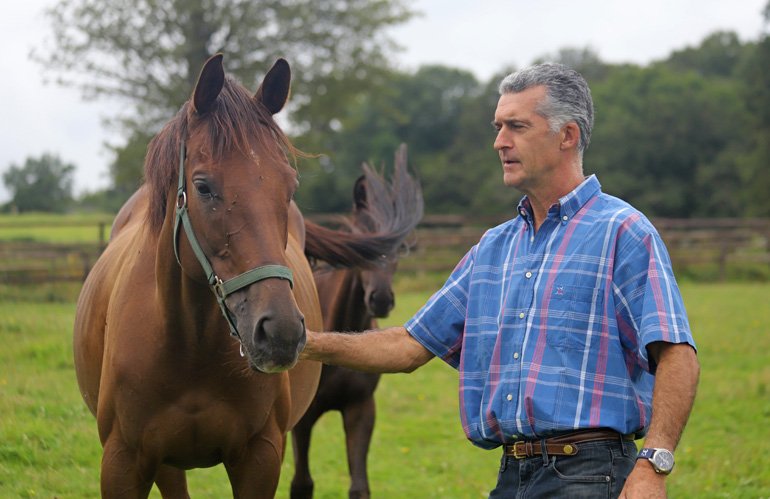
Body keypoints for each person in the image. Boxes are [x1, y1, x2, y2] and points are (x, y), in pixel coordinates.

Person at [300, 62, 699, 498]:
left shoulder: (623, 231)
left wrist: (653, 465)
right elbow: (408, 346)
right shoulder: (493, 248)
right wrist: (304, 343)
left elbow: (677, 354)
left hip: (591, 474)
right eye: (498, 127)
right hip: (512, 474)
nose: (499, 142)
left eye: (517, 126)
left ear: (567, 135)